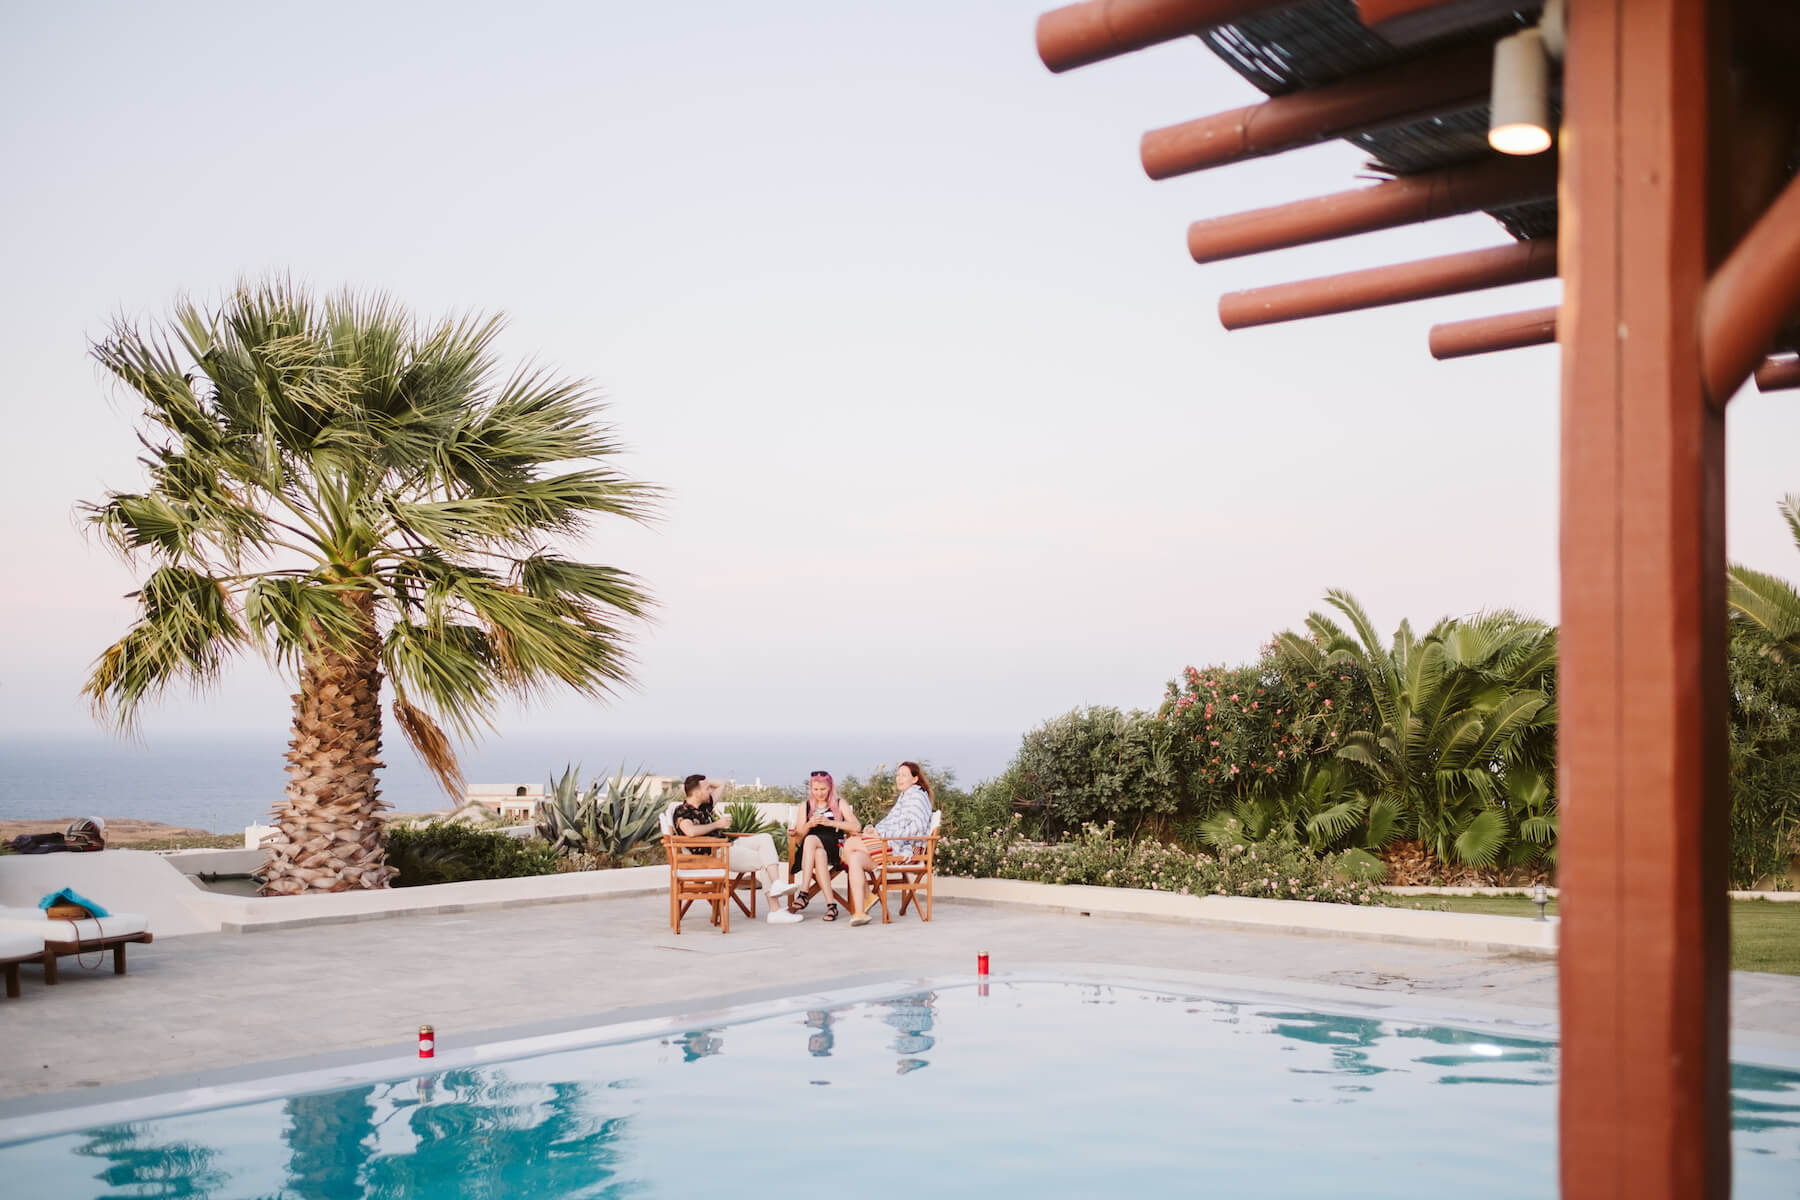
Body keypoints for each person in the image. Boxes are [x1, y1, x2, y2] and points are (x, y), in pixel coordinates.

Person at [672, 774, 800, 924]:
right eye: (707, 788)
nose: (710, 790)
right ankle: (774, 910)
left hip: (728, 846)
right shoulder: (682, 811)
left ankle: (776, 883)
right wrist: (717, 825)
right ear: (696, 792)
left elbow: (721, 783)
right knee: (765, 860)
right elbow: (690, 832)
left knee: (765, 838)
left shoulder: (704, 807)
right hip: (716, 854)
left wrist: (701, 784)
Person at [839, 761, 935, 927]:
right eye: (897, 775)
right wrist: (873, 831)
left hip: (907, 850)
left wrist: (882, 834)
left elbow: (916, 828)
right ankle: (860, 912)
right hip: (892, 845)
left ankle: (869, 895)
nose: (899, 778)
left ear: (915, 779)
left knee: (850, 844)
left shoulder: (917, 796)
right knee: (854, 857)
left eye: (903, 775)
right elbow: (890, 822)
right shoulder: (906, 796)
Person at [788, 770, 857, 923]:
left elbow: (856, 826)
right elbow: (799, 838)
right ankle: (831, 905)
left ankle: (804, 892)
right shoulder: (805, 806)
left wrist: (831, 822)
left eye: (823, 789)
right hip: (809, 851)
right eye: (815, 789)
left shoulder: (839, 803)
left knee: (811, 839)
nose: (819, 793)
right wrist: (808, 824)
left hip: (834, 846)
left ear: (830, 788)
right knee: (818, 852)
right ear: (811, 789)